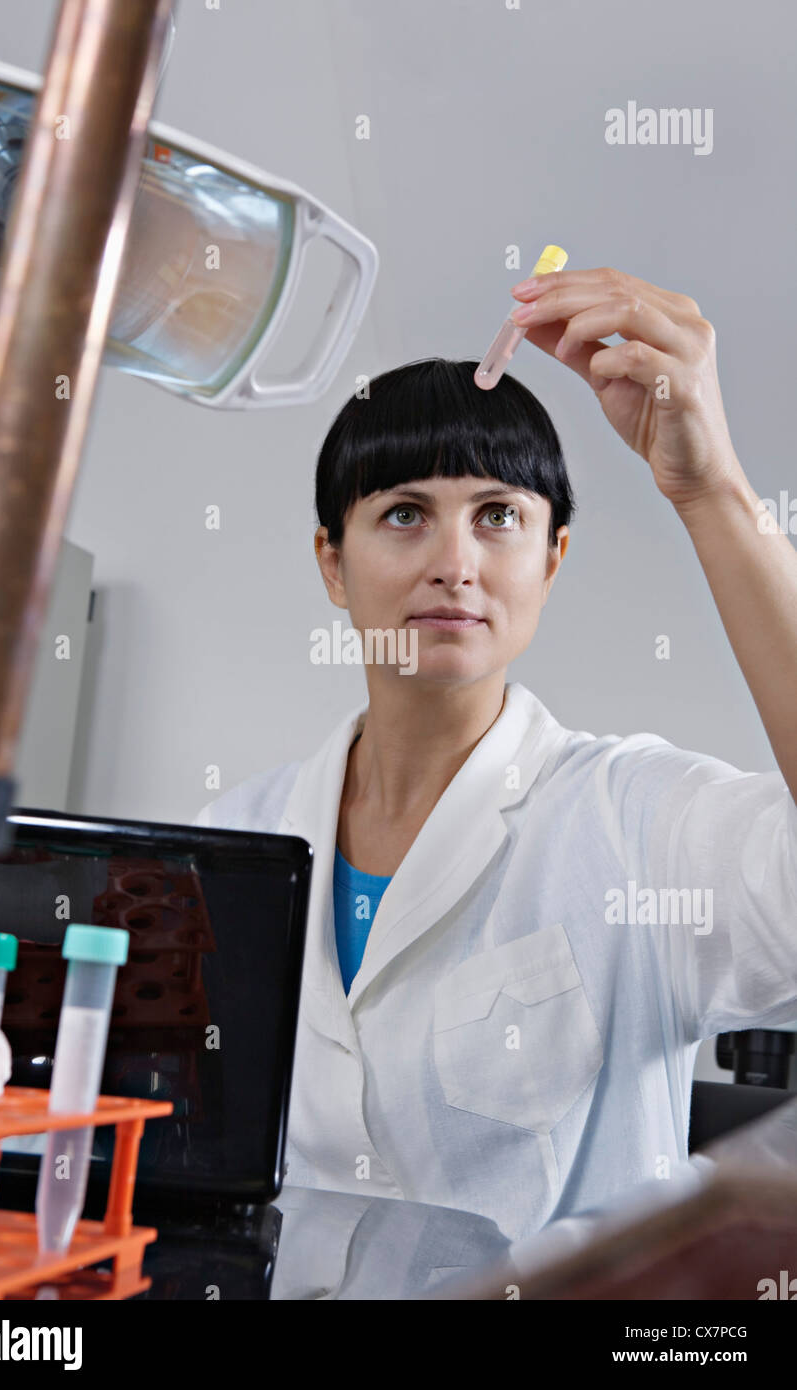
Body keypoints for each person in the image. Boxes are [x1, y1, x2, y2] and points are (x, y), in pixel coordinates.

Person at [195, 267, 797, 1244]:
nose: (453, 562)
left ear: (550, 559)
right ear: (330, 565)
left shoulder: (636, 823)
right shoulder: (231, 844)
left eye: (497, 515)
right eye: (402, 513)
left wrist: (708, 487)